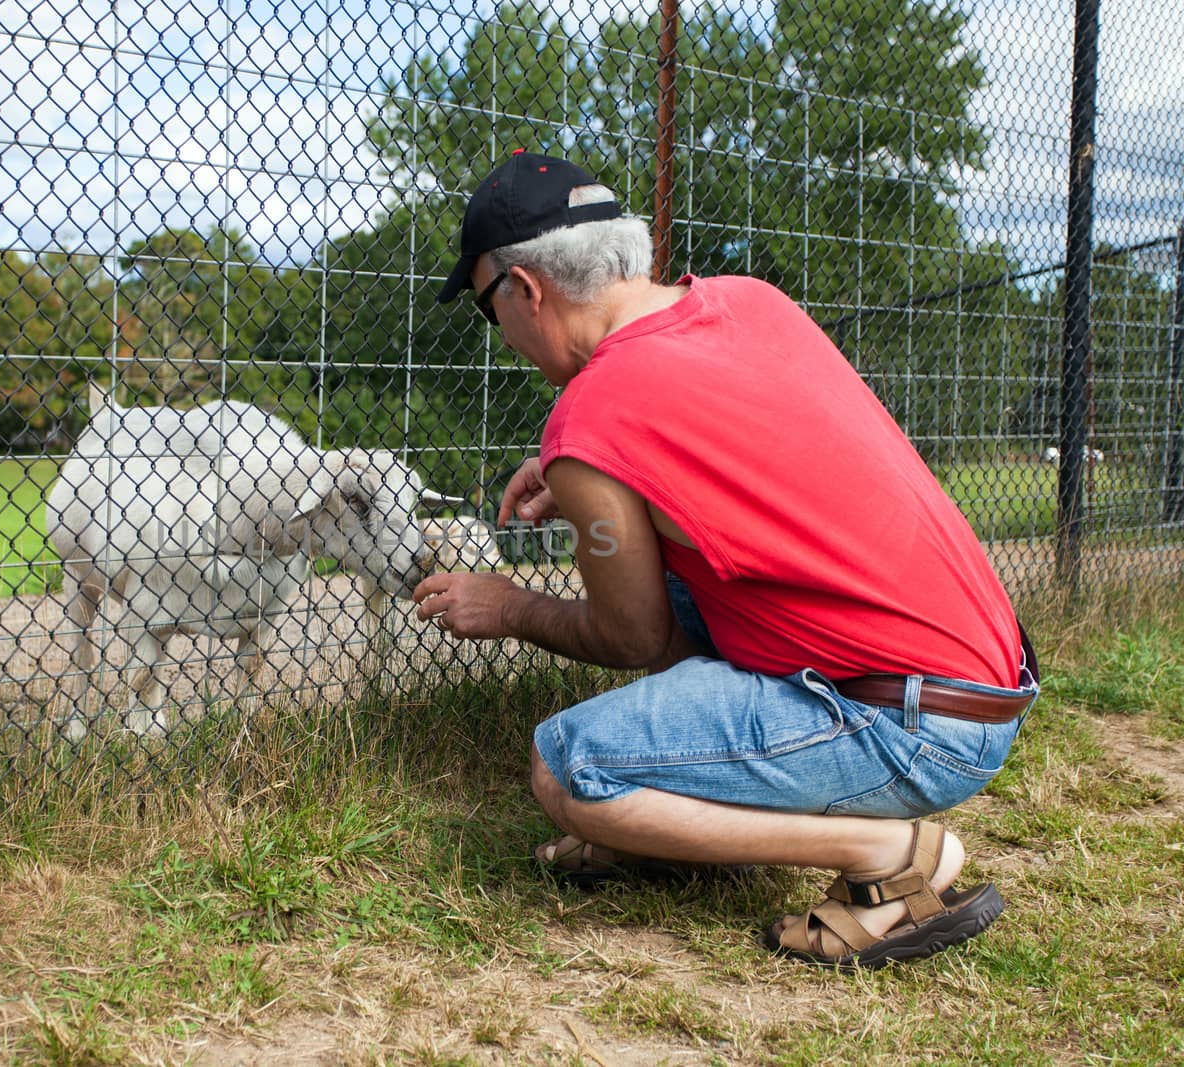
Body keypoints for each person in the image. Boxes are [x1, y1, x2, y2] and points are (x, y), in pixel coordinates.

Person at [411, 150, 1038, 969]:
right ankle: (682, 820)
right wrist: (603, 482)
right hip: (980, 686)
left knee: (570, 769)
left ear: (528, 290)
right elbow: (753, 466)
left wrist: (508, 605)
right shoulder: (748, 301)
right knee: (680, 583)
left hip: (909, 726)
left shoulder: (591, 416)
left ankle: (887, 858)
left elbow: (632, 636)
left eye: (490, 311)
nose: (503, 338)